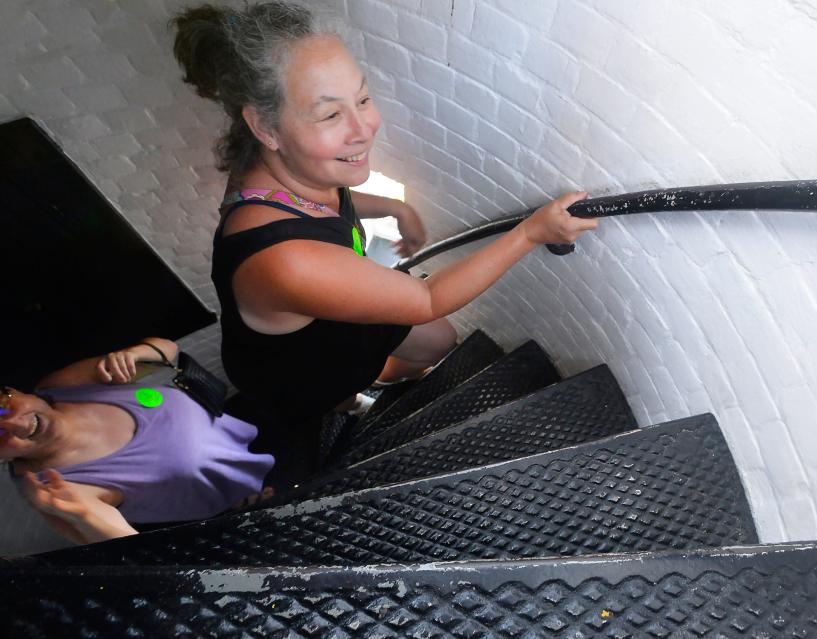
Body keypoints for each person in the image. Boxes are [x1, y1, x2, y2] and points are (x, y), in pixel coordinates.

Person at [170, 2, 598, 428]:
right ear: (265, 128)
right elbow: (427, 300)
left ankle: (376, 384)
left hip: (331, 313)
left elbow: (318, 210)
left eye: (363, 98)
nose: (364, 128)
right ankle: (350, 401)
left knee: (439, 342)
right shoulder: (284, 262)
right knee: (333, 393)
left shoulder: (295, 169)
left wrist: (395, 207)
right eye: (331, 114)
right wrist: (530, 233)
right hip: (297, 365)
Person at [1, 338, 274, 545]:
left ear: (13, 391)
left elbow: (167, 349)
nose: (17, 424)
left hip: (242, 425)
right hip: (251, 500)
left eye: (3, 408)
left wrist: (135, 354)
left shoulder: (60, 387)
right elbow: (122, 545)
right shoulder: (52, 485)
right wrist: (83, 517)